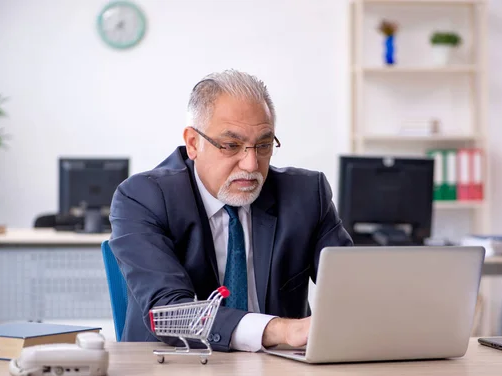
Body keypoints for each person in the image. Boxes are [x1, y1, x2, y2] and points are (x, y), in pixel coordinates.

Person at [109, 69, 352, 352]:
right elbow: (169, 313)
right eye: (231, 145)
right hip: (176, 367)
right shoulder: (143, 197)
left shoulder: (307, 195)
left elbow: (352, 290)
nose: (251, 164)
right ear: (193, 143)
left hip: (281, 370)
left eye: (263, 145)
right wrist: (279, 330)